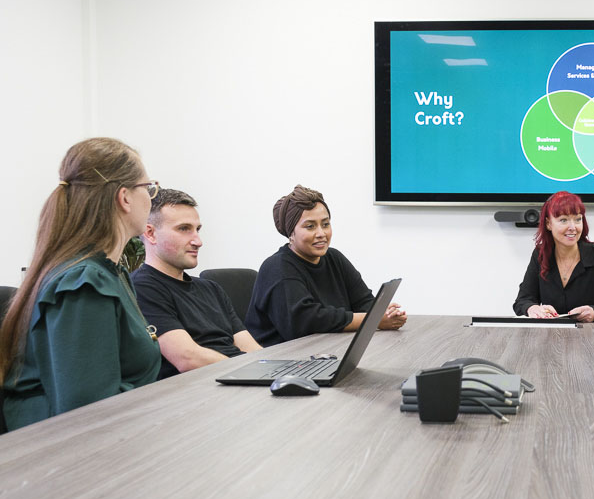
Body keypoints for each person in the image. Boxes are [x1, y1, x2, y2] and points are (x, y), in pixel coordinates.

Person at [0, 138, 161, 431]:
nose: (151, 198)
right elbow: (89, 417)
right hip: (64, 460)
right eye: (148, 188)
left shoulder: (109, 274)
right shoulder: (83, 283)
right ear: (124, 197)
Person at [245, 185, 406, 346]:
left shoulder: (334, 258)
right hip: (283, 361)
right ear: (290, 233)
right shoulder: (277, 267)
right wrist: (374, 319)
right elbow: (305, 322)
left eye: (325, 224)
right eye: (310, 226)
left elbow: (363, 302)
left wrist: (385, 313)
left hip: (326, 351)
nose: (321, 233)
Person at [132, 189, 263, 380]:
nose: (198, 241)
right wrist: (251, 371)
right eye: (184, 229)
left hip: (239, 378)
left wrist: (275, 371)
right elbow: (188, 359)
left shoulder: (211, 288)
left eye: (197, 229)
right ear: (150, 233)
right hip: (202, 389)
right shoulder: (143, 288)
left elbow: (251, 348)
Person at [513, 191, 594, 322]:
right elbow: (522, 301)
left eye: (578, 219)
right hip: (553, 335)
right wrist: (532, 308)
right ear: (548, 224)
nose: (573, 227)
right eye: (563, 220)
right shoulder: (541, 254)